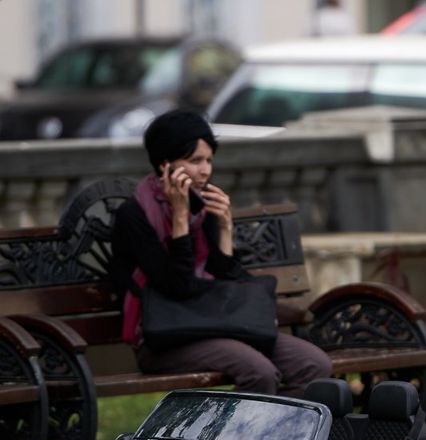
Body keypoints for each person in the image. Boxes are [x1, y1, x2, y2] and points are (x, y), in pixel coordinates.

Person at [111, 109, 332, 396]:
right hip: (164, 338)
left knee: (314, 364)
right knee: (259, 372)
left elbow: (230, 279)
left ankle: (282, 439)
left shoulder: (203, 209)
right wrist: (179, 220)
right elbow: (178, 286)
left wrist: (225, 228)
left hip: (216, 326)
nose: (206, 170)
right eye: (195, 161)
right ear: (165, 165)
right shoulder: (135, 215)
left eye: (208, 160)